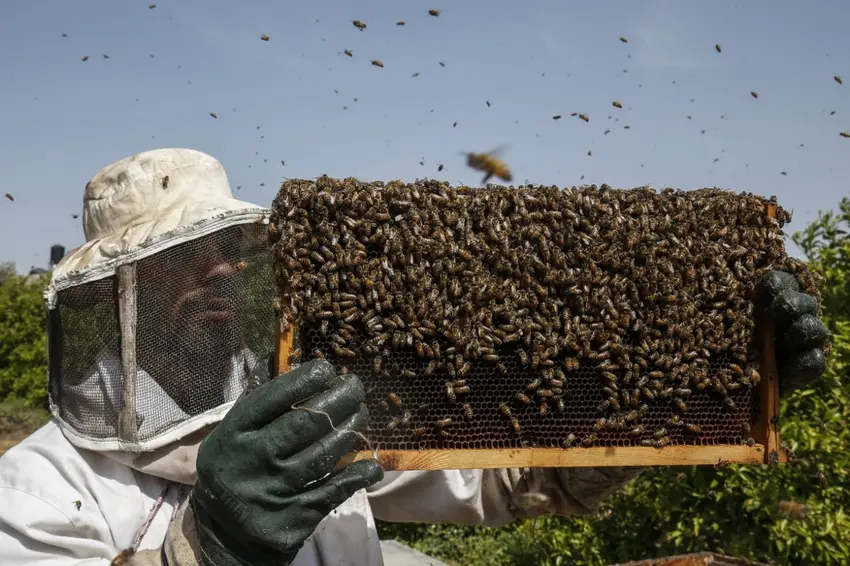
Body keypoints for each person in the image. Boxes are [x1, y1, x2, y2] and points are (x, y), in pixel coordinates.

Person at [0, 149, 829, 566]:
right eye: (181, 258)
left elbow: (516, 479)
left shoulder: (308, 420)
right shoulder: (39, 486)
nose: (220, 272)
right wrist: (204, 546)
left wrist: (704, 382)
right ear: (116, 299)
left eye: (229, 250)